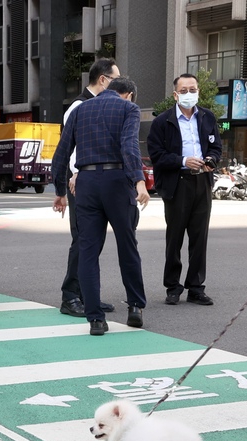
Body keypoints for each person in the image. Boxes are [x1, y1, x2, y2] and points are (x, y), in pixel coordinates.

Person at [51, 76, 149, 336]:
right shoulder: (129, 109)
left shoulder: (80, 109)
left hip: (86, 183)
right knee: (127, 245)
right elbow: (129, 146)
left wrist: (60, 191)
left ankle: (95, 318)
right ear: (128, 94)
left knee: (88, 250)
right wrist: (139, 181)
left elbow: (61, 153)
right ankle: (135, 308)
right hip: (117, 181)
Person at [147, 73, 222, 306]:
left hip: (202, 182)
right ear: (175, 94)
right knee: (175, 237)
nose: (190, 94)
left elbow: (216, 147)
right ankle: (172, 286)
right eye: (185, 90)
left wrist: (211, 159)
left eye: (193, 89)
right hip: (177, 183)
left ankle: (196, 287)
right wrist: (182, 160)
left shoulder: (208, 117)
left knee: (200, 238)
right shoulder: (163, 121)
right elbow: (156, 155)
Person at [58, 59, 121, 318]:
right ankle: (70, 296)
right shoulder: (79, 106)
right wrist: (74, 175)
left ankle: (88, 294)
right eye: (116, 79)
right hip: (81, 182)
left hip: (95, 182)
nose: (119, 84)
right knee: (83, 240)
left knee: (93, 241)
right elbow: (70, 147)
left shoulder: (101, 105)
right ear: (103, 80)